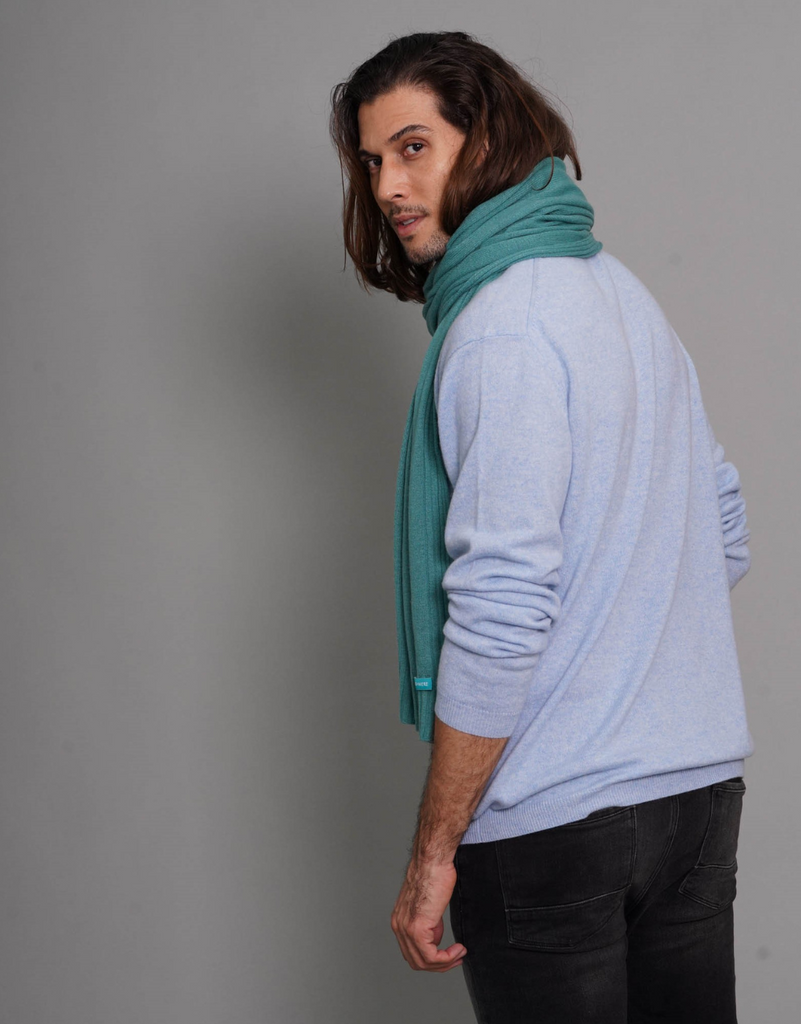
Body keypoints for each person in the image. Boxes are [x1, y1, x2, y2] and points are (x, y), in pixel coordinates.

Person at [329, 31, 753, 1024]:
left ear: (485, 141)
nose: (387, 186)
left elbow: (503, 603)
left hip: (554, 820)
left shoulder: (500, 326)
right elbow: (722, 527)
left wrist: (433, 853)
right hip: (695, 797)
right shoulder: (625, 297)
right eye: (373, 160)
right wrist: (625, 660)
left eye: (413, 147)